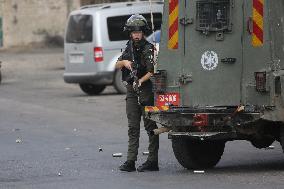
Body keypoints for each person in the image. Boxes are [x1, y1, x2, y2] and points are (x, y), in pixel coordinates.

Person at [115, 14, 159, 172]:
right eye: (134, 32)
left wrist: (141, 80)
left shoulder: (148, 48)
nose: (136, 35)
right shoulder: (129, 47)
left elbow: (152, 71)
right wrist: (125, 62)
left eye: (139, 32)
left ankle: (153, 160)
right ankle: (130, 160)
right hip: (132, 91)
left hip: (145, 90)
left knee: (150, 127)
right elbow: (117, 64)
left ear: (143, 32)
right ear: (130, 33)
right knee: (133, 127)